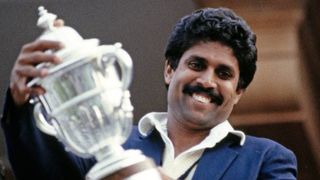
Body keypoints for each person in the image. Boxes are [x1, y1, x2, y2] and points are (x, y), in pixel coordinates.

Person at [1, 7, 297, 179]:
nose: (207, 81)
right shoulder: (109, 142)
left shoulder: (266, 160)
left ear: (239, 91)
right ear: (170, 70)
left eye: (224, 74)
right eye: (197, 64)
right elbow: (42, 173)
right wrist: (22, 100)